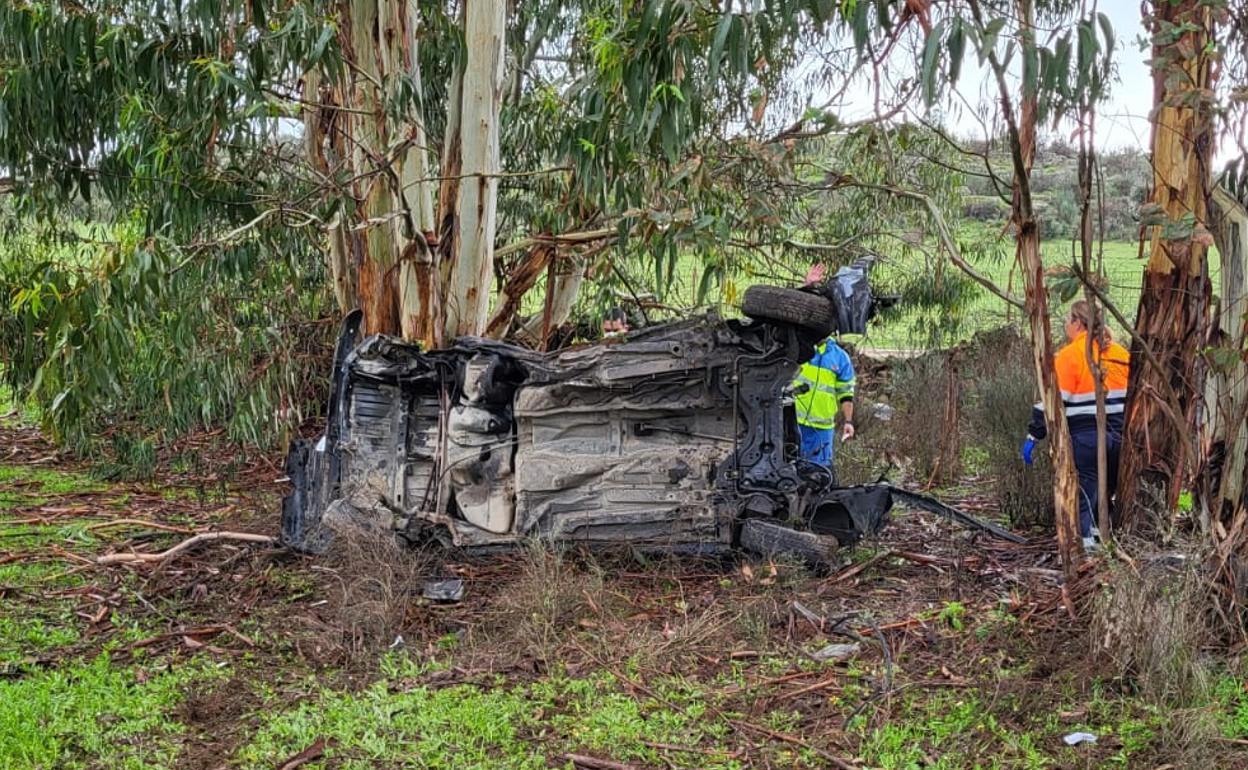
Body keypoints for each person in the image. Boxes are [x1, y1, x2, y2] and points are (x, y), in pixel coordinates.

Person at [1022, 300, 1130, 550]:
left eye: (1067, 320)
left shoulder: (1069, 357)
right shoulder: (1120, 354)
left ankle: (1086, 552)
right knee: (1106, 495)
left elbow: (1052, 401)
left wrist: (1033, 435)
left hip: (1087, 439)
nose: (1064, 326)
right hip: (1121, 439)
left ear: (1078, 324)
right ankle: (1108, 545)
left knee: (1084, 496)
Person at [794, 335, 856, 479]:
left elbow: (846, 393)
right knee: (790, 467)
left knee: (820, 473)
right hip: (793, 422)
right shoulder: (799, 349)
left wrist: (848, 422)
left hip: (821, 429)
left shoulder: (840, 357)